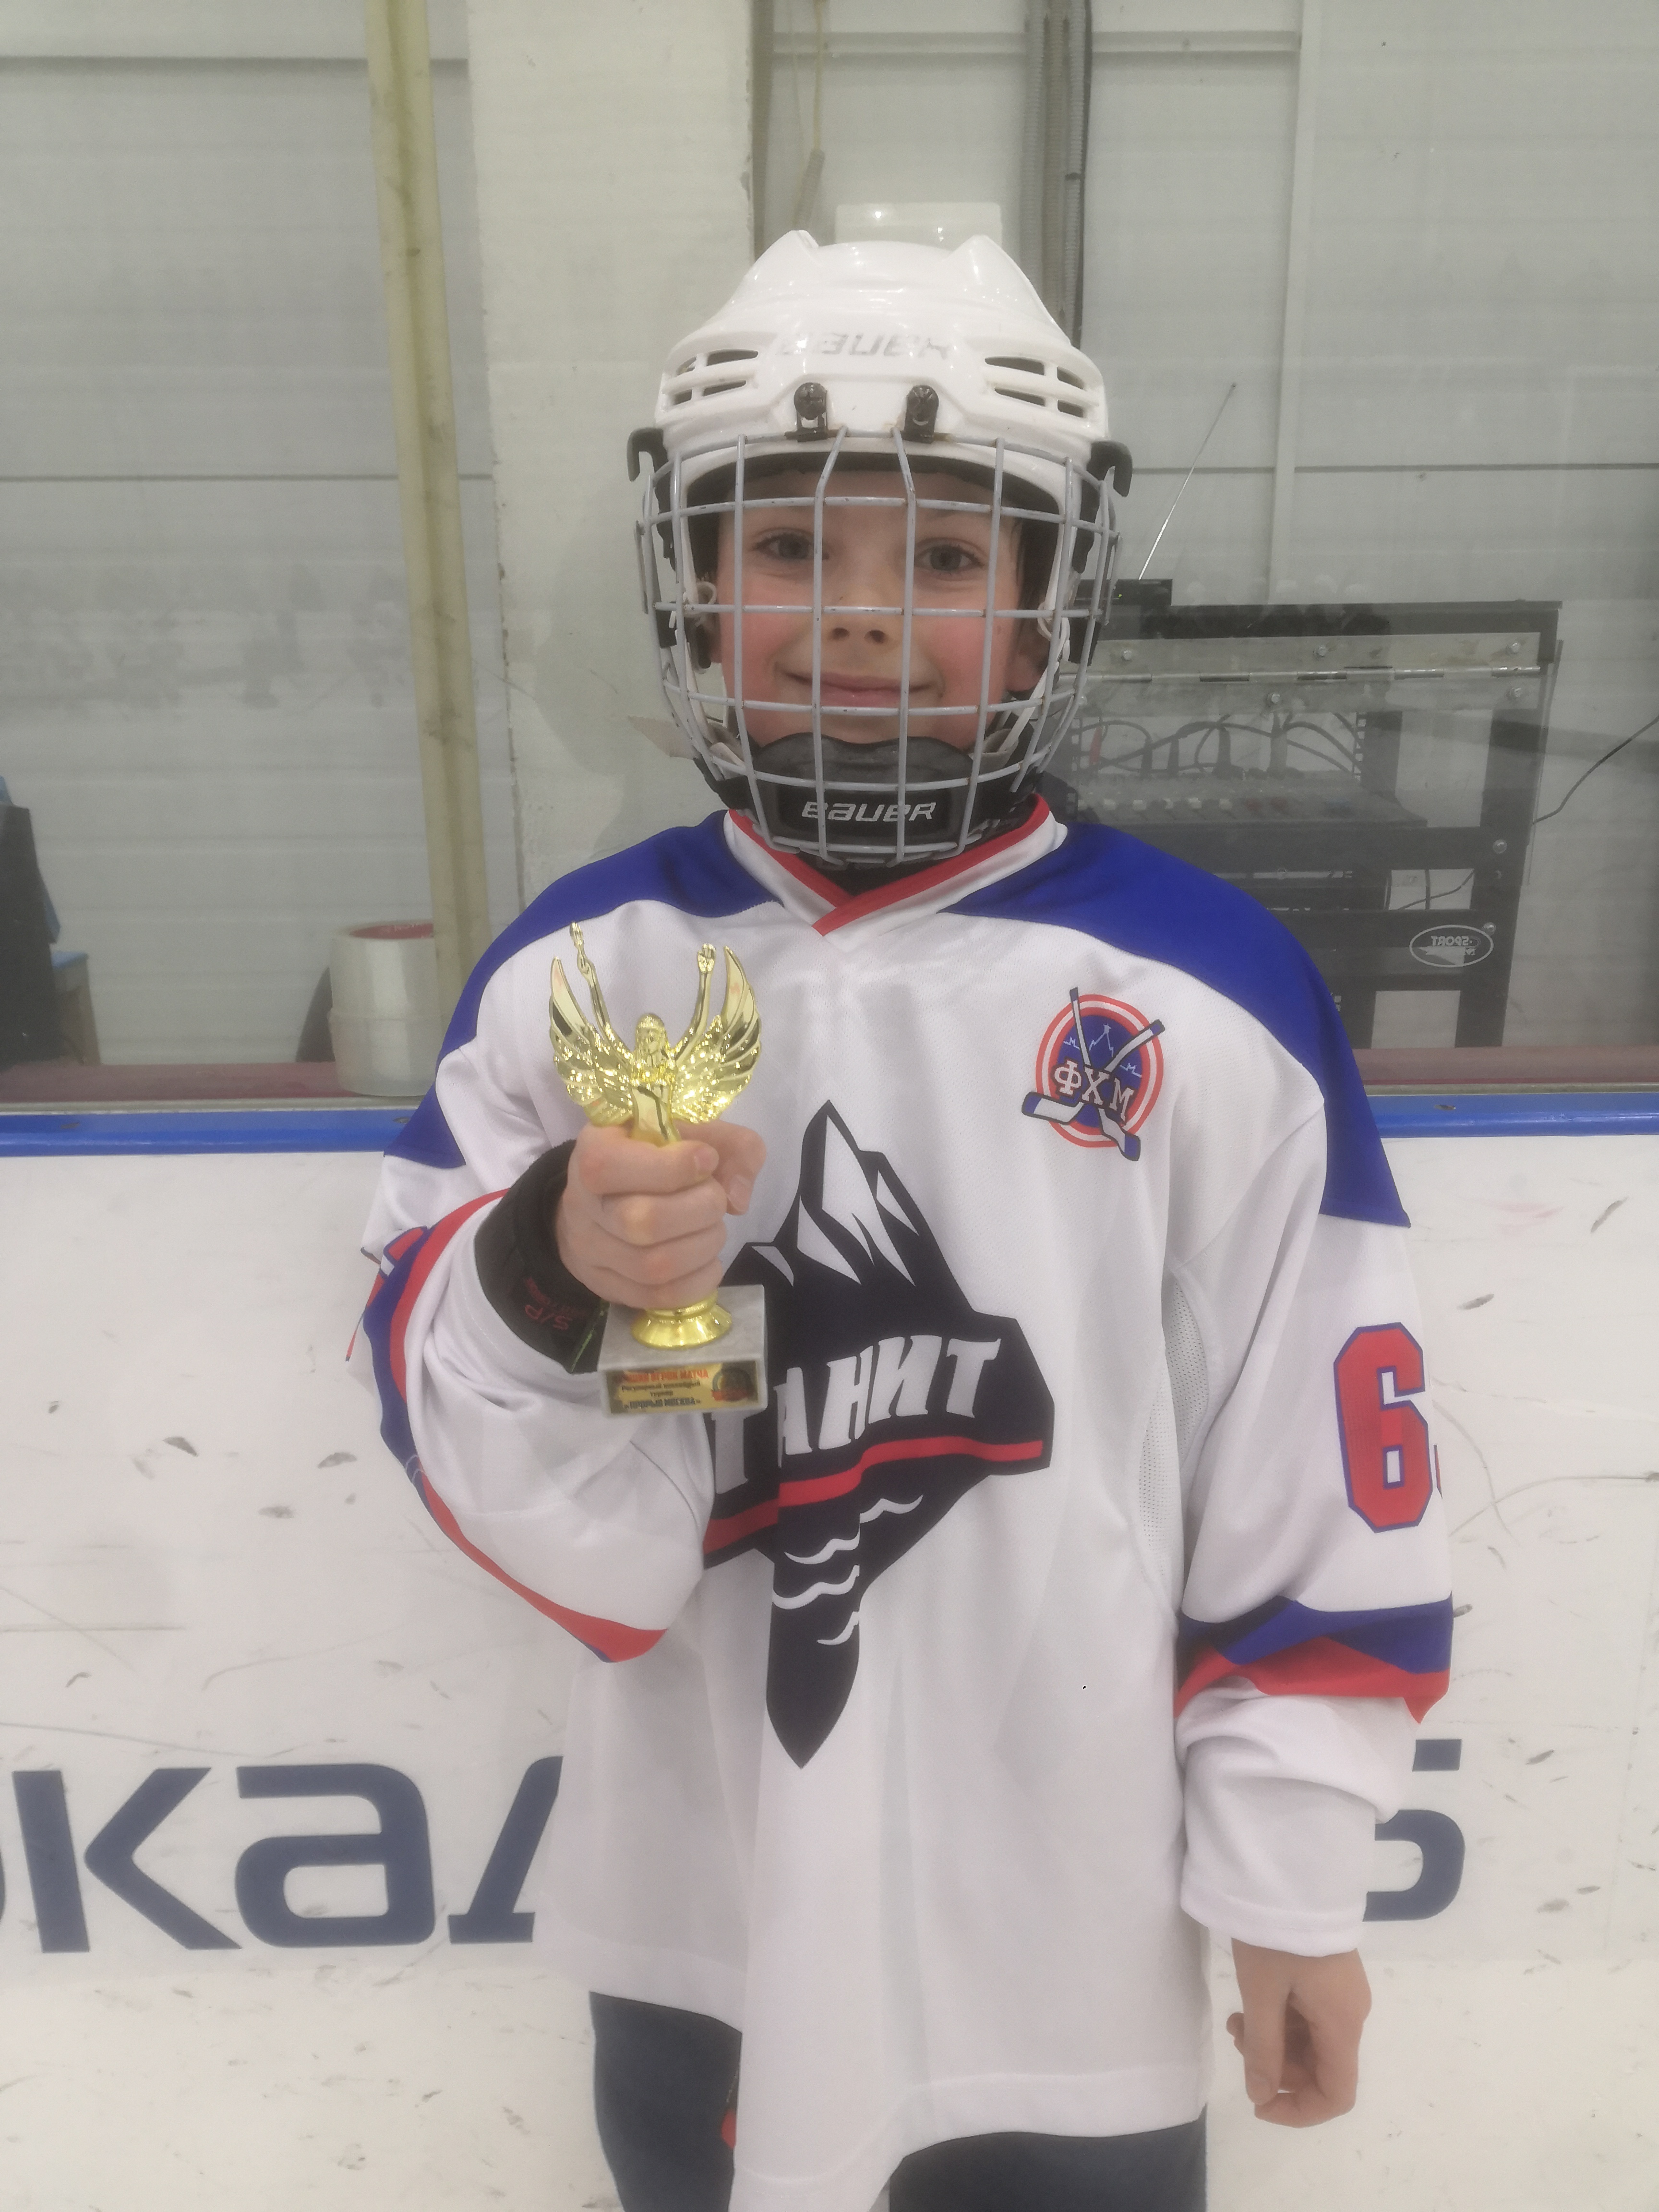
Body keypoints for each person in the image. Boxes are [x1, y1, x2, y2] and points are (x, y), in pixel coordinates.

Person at [358, 233, 1452, 2212]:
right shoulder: (577, 974)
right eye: (790, 545)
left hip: (1070, 1937)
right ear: (695, 581)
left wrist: (1292, 1885)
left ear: (1047, 605)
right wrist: (551, 1267)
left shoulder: (1214, 993)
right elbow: (542, 1496)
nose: (858, 616)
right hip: (707, 1915)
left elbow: (1315, 1469)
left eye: (944, 557)